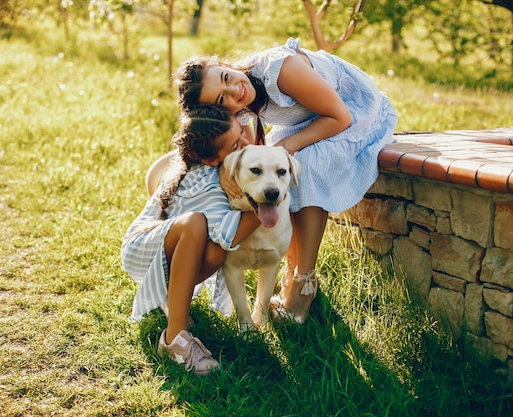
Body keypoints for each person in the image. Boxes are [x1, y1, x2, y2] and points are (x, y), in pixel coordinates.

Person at [174, 37, 398, 324]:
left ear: (225, 65)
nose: (234, 91)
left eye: (226, 78)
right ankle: (291, 271)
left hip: (356, 112)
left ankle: (304, 284)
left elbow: (339, 117)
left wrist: (285, 149)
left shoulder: (280, 69)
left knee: (301, 166)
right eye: (222, 100)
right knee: (274, 168)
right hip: (315, 119)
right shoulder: (240, 109)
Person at [121, 104, 260, 375]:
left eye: (242, 134)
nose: (244, 144)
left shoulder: (213, 165)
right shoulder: (207, 181)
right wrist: (268, 205)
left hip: (164, 248)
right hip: (141, 248)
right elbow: (231, 234)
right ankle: (174, 340)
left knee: (215, 252)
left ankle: (170, 297)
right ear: (210, 160)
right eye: (234, 146)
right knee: (196, 224)